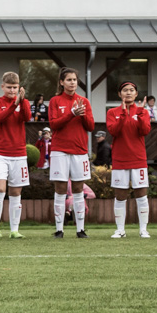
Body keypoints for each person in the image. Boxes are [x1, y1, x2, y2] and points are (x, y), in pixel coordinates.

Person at [46, 67, 94, 239]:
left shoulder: (84, 101)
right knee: (60, 189)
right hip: (59, 150)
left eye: (74, 80)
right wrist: (71, 113)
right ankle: (59, 229)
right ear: (61, 82)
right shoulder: (55, 101)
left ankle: (80, 229)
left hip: (80, 151)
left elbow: (90, 127)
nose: (72, 83)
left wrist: (81, 115)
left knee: (78, 188)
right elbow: (54, 125)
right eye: (69, 80)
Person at [106, 80, 153, 238]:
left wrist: (139, 114)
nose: (128, 92)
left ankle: (143, 229)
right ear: (119, 94)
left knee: (141, 194)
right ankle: (120, 230)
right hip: (120, 159)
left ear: (136, 93)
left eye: (131, 90)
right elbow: (113, 131)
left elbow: (145, 130)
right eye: (125, 90)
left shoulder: (143, 112)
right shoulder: (113, 112)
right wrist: (123, 114)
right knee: (120, 195)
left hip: (138, 158)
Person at [0, 72, 31, 238]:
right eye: (9, 87)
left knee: (16, 192)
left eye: (15, 87)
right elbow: (0, 118)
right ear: (2, 87)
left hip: (19, 153)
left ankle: (14, 230)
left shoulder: (23, 101)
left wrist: (23, 101)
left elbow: (27, 117)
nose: (12, 90)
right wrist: (14, 105)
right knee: (0, 189)